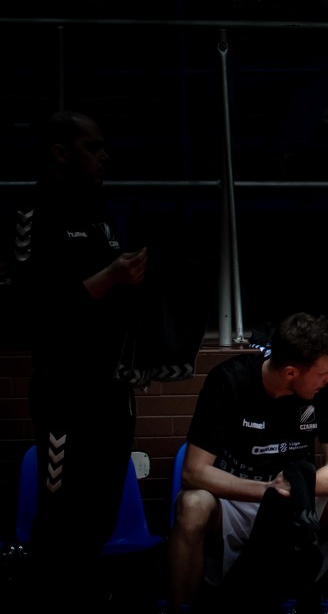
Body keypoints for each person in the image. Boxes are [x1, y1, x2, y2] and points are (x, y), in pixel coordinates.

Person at [10, 111, 149, 605]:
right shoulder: (34, 213)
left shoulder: (101, 213)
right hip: (66, 393)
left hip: (112, 389)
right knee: (62, 513)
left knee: (101, 511)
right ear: (60, 152)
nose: (104, 156)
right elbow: (27, 310)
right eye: (93, 147)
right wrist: (109, 278)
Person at [166, 313, 328, 614]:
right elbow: (194, 472)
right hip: (237, 499)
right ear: (290, 373)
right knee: (192, 504)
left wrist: (295, 489)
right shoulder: (228, 380)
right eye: (323, 373)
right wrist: (267, 490)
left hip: (296, 500)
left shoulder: (323, 388)